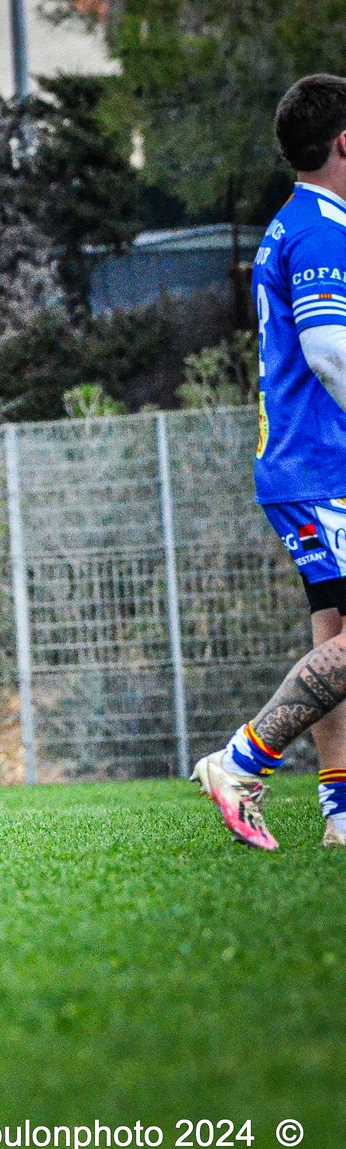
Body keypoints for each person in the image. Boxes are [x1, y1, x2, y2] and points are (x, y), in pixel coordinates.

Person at [196, 73, 346, 850]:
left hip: (307, 466)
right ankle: (241, 759)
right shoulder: (323, 228)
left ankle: (340, 815)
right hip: (322, 469)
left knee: (336, 639)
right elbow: (327, 351)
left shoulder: (294, 223)